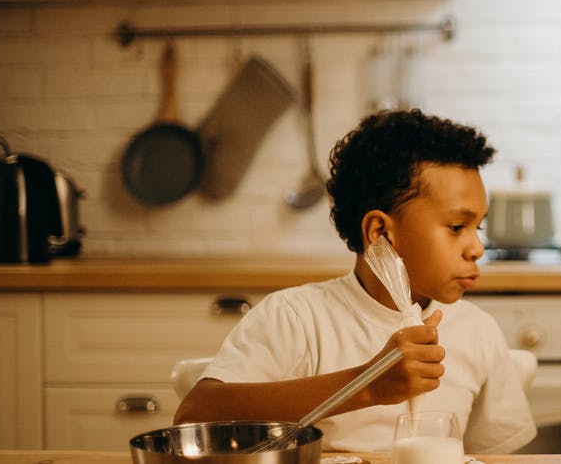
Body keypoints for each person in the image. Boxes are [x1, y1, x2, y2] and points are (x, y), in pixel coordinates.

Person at [175, 109, 536, 454]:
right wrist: (366, 384)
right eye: (457, 227)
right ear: (380, 232)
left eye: (479, 227)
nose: (476, 248)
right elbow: (195, 418)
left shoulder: (478, 331)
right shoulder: (296, 319)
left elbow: (495, 455)